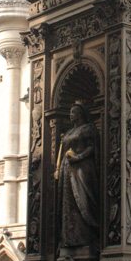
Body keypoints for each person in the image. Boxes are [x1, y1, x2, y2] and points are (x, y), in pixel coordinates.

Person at [55, 102, 100, 249]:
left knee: (83, 199)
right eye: (70, 112)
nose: (70, 114)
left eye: (74, 112)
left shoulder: (88, 129)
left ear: (81, 114)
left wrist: (79, 157)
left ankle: (86, 238)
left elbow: (92, 148)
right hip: (67, 170)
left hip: (82, 169)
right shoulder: (68, 132)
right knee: (68, 203)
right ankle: (69, 239)